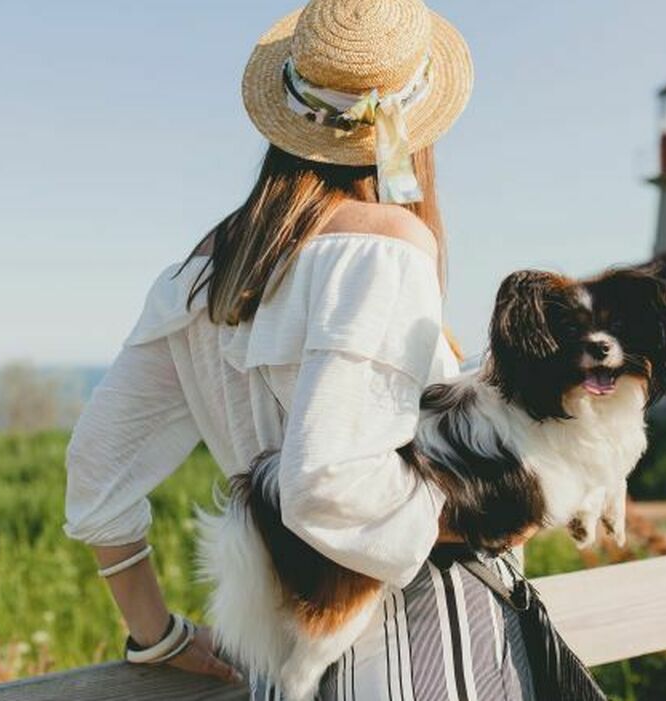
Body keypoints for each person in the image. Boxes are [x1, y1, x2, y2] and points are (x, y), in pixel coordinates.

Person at [64, 0, 545, 697]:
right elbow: (327, 483)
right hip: (426, 643)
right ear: (411, 128)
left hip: (283, 660)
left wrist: (156, 632)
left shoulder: (198, 278)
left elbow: (95, 467)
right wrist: (496, 509)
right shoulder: (388, 247)